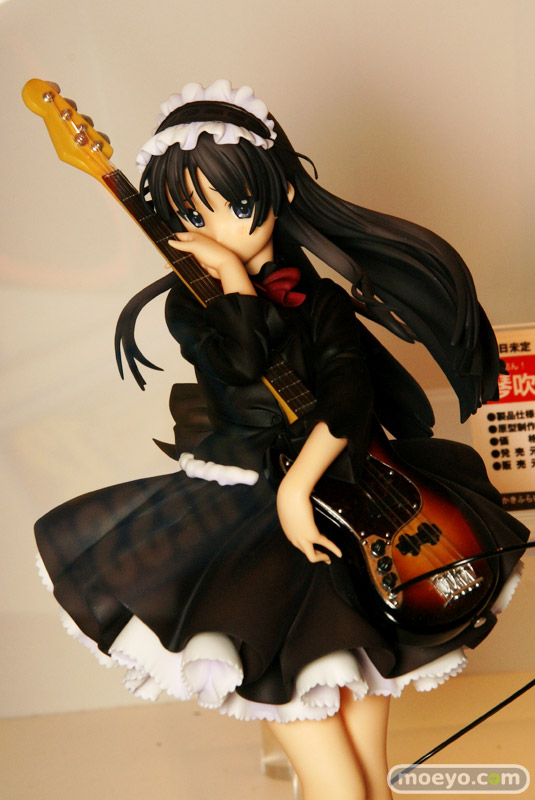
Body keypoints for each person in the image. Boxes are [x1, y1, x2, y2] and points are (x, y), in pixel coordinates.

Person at [35, 80, 529, 800]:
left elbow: (352, 396)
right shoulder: (189, 308)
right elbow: (239, 366)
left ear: (282, 193)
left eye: (237, 205)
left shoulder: (319, 298)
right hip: (244, 511)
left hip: (349, 489)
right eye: (194, 214)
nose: (222, 229)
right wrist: (233, 282)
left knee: (367, 763)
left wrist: (300, 486)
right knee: (334, 774)